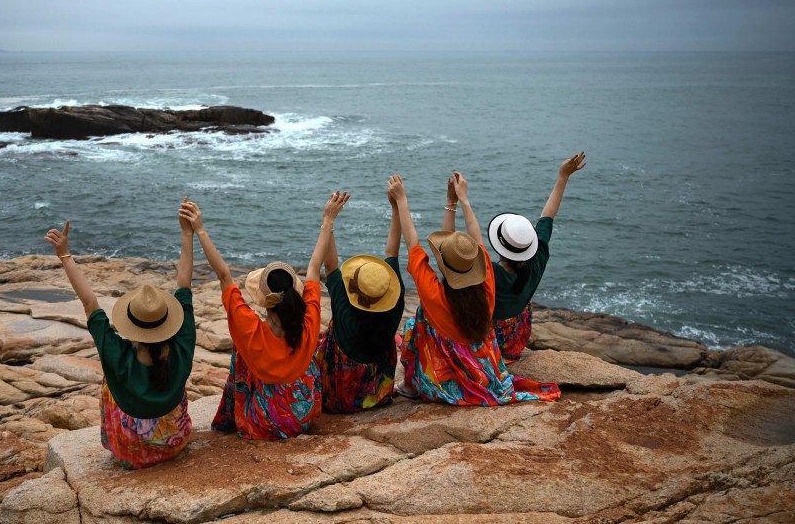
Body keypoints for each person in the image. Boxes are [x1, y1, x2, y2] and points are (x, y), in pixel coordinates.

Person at [43, 199, 196, 468]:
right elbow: (184, 284)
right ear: (167, 321)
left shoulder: (117, 352)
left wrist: (65, 255)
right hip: (174, 441)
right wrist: (187, 232)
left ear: (130, 324)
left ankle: (130, 438)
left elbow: (90, 304)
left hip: (130, 450)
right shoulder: (183, 342)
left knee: (109, 378)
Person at [182, 193, 344, 440]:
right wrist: (328, 220)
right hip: (303, 414)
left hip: (265, 421)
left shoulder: (251, 329)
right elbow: (314, 268)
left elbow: (224, 276)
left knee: (241, 350)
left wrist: (199, 229)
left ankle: (226, 419)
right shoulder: (308, 321)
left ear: (265, 304)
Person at [389, 172, 560, 406]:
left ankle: (409, 385)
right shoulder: (487, 284)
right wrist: (461, 200)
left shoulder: (434, 296)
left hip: (442, 383)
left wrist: (401, 201)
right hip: (481, 371)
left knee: (416, 321)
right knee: (425, 316)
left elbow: (412, 243)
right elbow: (476, 238)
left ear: (442, 265)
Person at [488, 151, 586, 361]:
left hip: (490, 346)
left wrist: (459, 201)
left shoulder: (492, 273)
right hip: (515, 344)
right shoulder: (537, 259)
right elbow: (548, 216)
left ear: (499, 245)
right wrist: (563, 177)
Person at [314, 189, 405, 413]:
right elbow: (392, 251)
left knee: (330, 330)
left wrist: (328, 221)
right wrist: (396, 208)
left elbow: (330, 266)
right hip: (377, 394)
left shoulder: (345, 311)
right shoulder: (396, 303)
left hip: (338, 399)